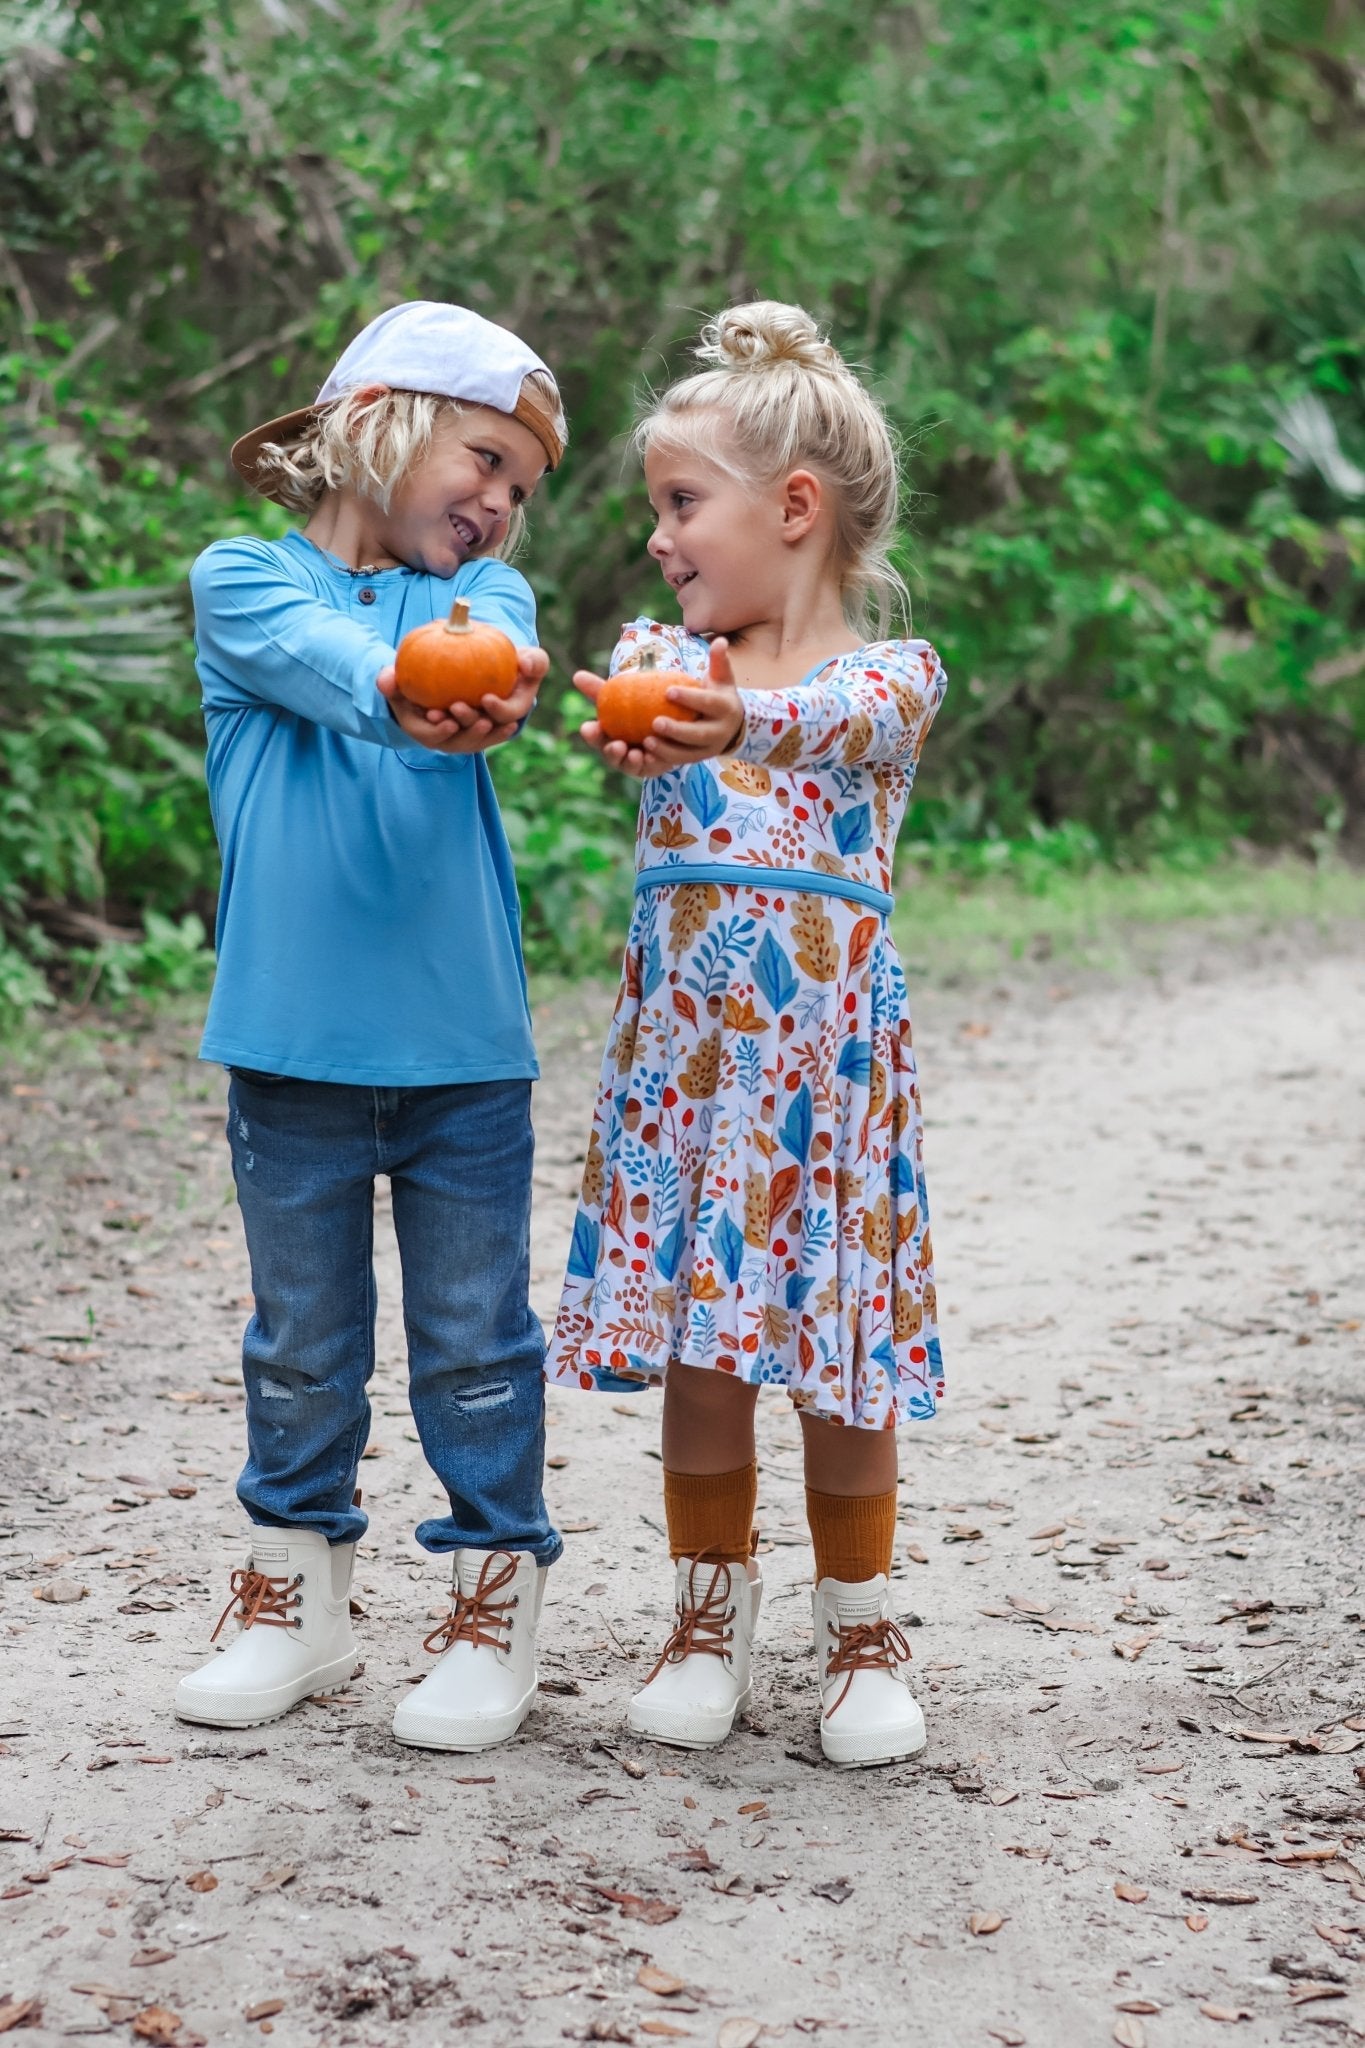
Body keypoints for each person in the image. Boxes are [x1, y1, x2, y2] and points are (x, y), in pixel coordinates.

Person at [547, 301, 947, 1768]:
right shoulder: (658, 655)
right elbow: (653, 723)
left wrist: (732, 728)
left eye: (679, 502)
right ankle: (704, 1611)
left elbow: (822, 720)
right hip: (688, 1088)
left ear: (792, 509)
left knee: (836, 1365)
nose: (657, 536)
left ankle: (860, 1625)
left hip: (825, 1096)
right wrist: (662, 724)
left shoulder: (887, 683)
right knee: (704, 1364)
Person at [174, 301, 566, 1751]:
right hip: (291, 1054)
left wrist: (474, 688)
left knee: (475, 1342)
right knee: (299, 1344)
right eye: (484, 458)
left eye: (522, 487)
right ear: (382, 421)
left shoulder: (493, 604)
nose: (501, 502)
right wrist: (412, 687)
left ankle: (486, 1600)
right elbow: (353, 678)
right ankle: (295, 1598)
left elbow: (488, 673)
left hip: (465, 1055)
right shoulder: (242, 582)